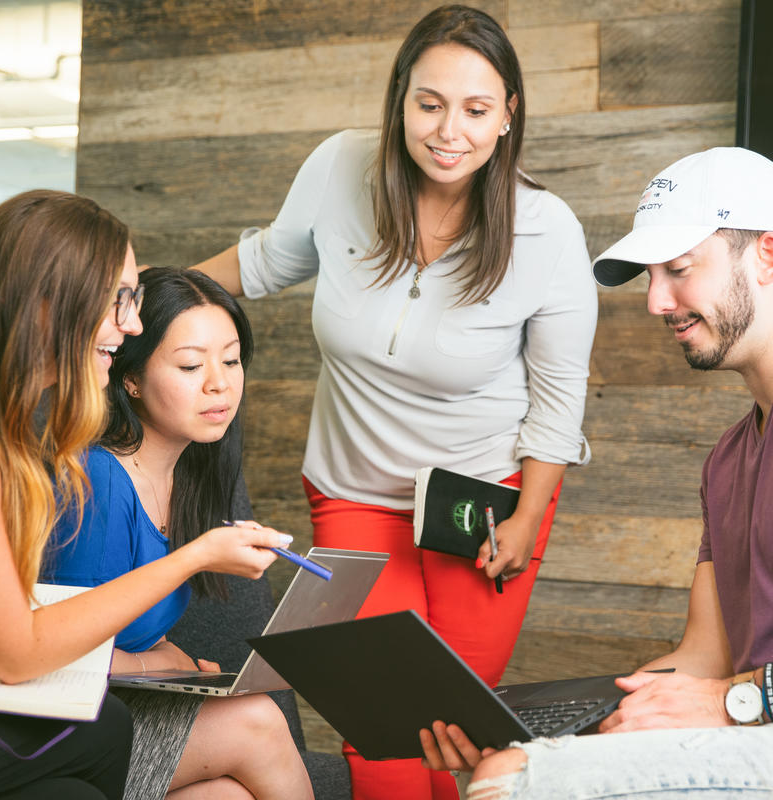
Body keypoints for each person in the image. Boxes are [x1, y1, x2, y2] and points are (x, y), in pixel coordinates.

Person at [192, 5, 597, 799]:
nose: (451, 130)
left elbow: (557, 400)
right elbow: (268, 260)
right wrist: (129, 298)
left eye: (477, 110)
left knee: (455, 734)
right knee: (381, 725)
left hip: (482, 508)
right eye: (430, 103)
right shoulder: (342, 168)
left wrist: (524, 519)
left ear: (509, 115)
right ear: (401, 99)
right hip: (355, 494)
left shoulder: (546, 232)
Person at [420, 145, 773, 799]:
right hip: (750, 730)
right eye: (649, 276)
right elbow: (704, 660)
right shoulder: (728, 462)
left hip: (757, 728)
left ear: (766, 254)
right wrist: (551, 727)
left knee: (511, 785)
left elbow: (723, 690)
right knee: (513, 760)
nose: (656, 301)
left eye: (678, 269)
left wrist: (735, 704)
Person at [0, 189, 296, 800]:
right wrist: (195, 558)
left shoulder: (9, 435)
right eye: (121, 299)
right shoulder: (12, 451)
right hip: (35, 703)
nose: (132, 324)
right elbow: (19, 652)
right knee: (105, 737)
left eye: (230, 361)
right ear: (48, 305)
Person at [42, 267, 314, 800]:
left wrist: (179, 665)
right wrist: (157, 664)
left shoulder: (189, 472)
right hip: (66, 726)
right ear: (131, 379)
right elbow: (61, 656)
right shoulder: (100, 480)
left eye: (232, 360)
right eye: (191, 364)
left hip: (121, 704)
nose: (219, 383)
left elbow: (134, 624)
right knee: (257, 721)